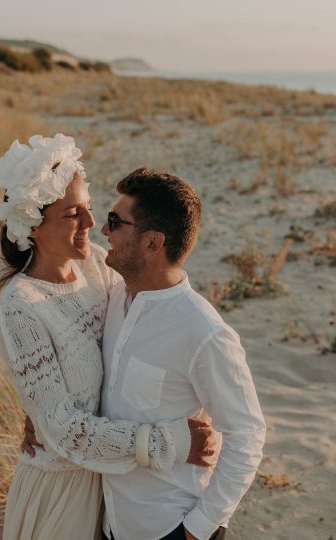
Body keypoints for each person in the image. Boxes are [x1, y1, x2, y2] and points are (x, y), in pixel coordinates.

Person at [0, 135, 216, 540]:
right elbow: (61, 430)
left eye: (89, 209)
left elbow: (148, 311)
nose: (91, 225)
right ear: (33, 226)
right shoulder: (20, 305)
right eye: (72, 214)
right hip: (63, 490)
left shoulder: (96, 264)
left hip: (119, 489)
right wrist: (167, 442)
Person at [93, 168, 267, 540]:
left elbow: (247, 436)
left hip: (168, 527)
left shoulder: (204, 333)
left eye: (114, 222)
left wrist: (200, 528)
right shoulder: (111, 299)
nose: (104, 231)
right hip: (110, 521)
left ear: (153, 243)